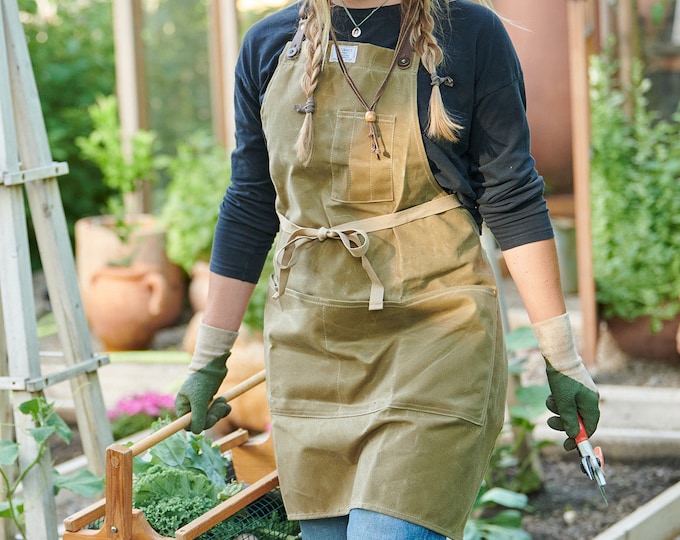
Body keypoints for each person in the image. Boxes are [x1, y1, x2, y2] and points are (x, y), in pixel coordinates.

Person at [174, 1, 601, 538]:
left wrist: (562, 358)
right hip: (315, 346)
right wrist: (209, 358)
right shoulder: (268, 44)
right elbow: (249, 205)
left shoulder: (468, 33)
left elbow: (512, 196)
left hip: (435, 335)